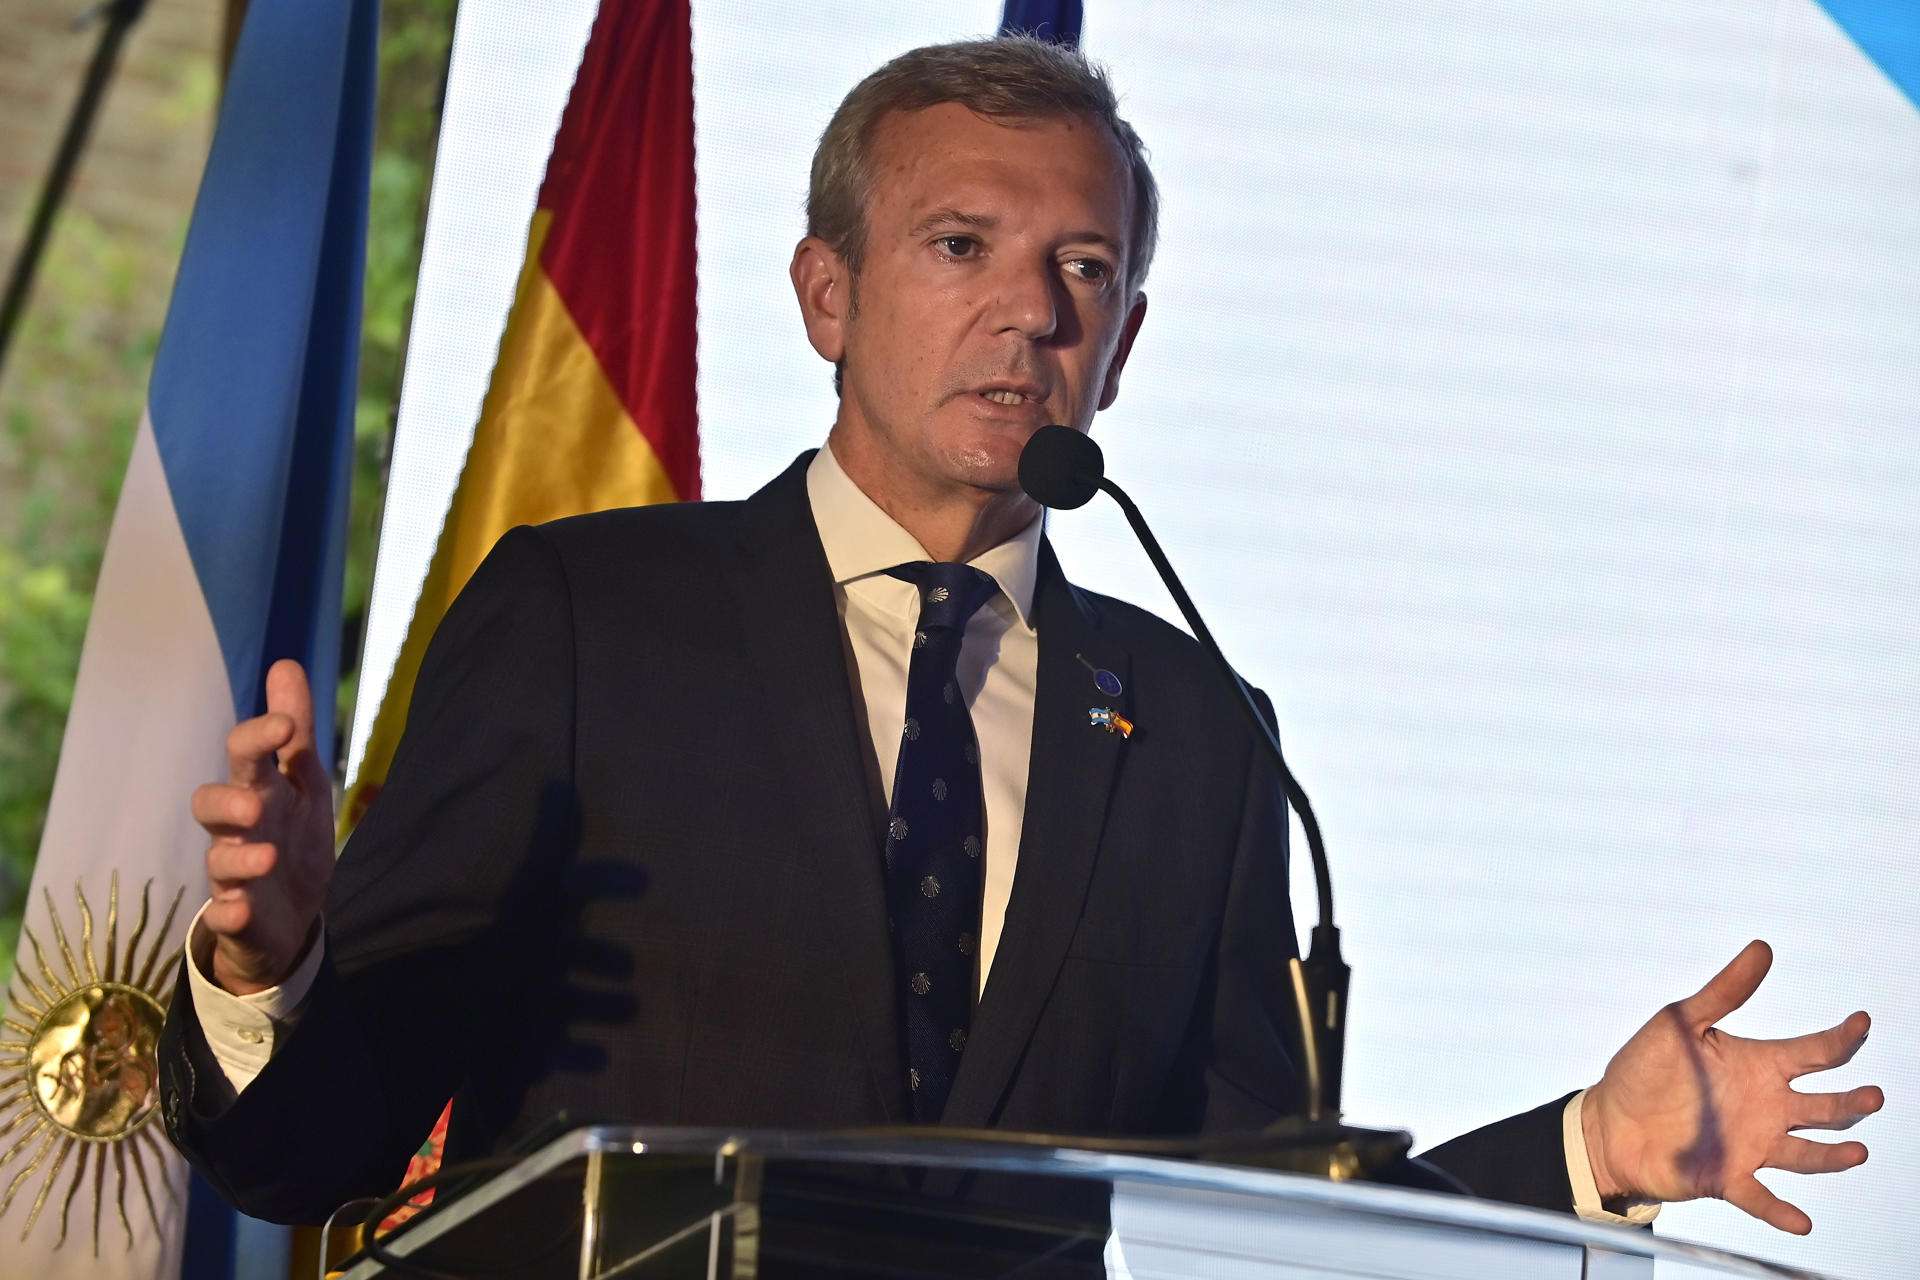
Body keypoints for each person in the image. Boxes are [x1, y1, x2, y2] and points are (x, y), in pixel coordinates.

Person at [159, 36, 1882, 1234]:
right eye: (962, 245)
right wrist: (275, 970)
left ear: (1122, 346)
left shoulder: (1201, 731)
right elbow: (318, 1152)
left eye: (1083, 270)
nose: (1029, 312)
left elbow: (1245, 1224)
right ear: (827, 295)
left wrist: (1589, 1150)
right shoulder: (589, 618)